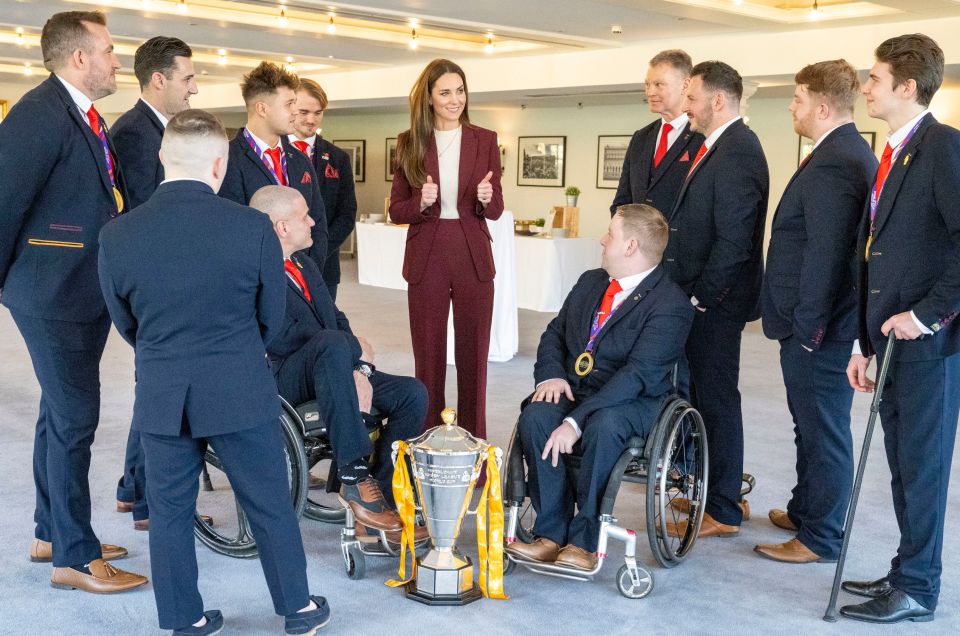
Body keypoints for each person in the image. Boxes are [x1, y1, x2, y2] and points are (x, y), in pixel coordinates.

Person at [97, 109, 330, 636]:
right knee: (269, 501)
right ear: (220, 163)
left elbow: (126, 322)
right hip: (237, 384)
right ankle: (298, 609)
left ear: (162, 157)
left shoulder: (118, 235)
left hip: (162, 389)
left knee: (170, 512)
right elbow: (271, 317)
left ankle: (185, 619)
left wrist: (165, 354)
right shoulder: (252, 227)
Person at [0, 10, 147, 593]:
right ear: (78, 57)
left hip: (80, 290)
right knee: (75, 418)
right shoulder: (36, 114)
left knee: (56, 415)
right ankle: (74, 557)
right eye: (110, 50)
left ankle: (49, 531)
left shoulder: (85, 116)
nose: (117, 61)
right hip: (50, 294)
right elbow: (5, 205)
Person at [840, 33, 960, 625]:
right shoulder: (891, 151)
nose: (865, 87)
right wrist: (864, 344)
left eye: (874, 78)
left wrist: (927, 315)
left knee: (923, 468)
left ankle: (918, 587)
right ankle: (905, 569)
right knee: (903, 466)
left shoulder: (945, 148)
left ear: (907, 88)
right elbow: (877, 254)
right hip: (887, 342)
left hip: (928, 346)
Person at [505, 204, 693, 570]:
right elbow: (555, 333)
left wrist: (574, 422)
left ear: (630, 246)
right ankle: (550, 532)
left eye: (611, 235)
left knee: (603, 426)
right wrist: (551, 376)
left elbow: (637, 375)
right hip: (577, 387)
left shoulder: (671, 304)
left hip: (636, 400)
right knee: (537, 417)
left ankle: (585, 540)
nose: (603, 241)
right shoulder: (591, 281)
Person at [754, 60, 877, 564]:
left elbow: (827, 254)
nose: (791, 106)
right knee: (809, 424)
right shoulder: (840, 152)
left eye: (798, 99)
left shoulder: (837, 160)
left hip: (819, 329)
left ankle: (821, 536)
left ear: (822, 107)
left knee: (823, 429)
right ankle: (806, 510)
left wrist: (810, 328)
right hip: (817, 324)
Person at [251, 185, 427, 537]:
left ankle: (381, 497)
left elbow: (336, 318)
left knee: (413, 393)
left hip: (332, 363)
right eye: (304, 216)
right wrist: (353, 349)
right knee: (332, 343)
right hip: (285, 376)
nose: (314, 221)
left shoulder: (305, 263)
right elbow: (289, 337)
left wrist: (359, 369)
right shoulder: (256, 272)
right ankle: (353, 474)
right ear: (282, 227)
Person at [661, 61, 769, 539]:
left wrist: (701, 299)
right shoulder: (717, 145)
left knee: (718, 400)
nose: (686, 106)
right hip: (701, 297)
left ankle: (723, 508)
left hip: (716, 304)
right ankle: (716, 492)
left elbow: (734, 241)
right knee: (704, 397)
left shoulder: (739, 150)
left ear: (718, 101)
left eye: (692, 98)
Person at [389, 58, 503, 438]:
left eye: (460, 90)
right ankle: (429, 443)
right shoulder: (409, 143)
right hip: (428, 254)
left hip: (473, 255)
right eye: (445, 92)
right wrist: (421, 202)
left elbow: (497, 208)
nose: (455, 99)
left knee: (474, 359)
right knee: (429, 359)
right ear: (429, 98)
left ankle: (474, 448)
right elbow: (395, 209)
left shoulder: (485, 139)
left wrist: (487, 198)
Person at [111, 35, 198, 531]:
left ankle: (130, 487)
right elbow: (149, 213)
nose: (194, 89)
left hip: (165, 279)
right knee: (159, 393)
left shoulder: (159, 130)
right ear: (159, 79)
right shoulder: (135, 134)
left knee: (153, 387)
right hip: (158, 283)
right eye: (187, 78)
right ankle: (146, 502)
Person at [220, 61, 328, 272]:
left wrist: (309, 273)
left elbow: (318, 222)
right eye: (288, 104)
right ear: (262, 108)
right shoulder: (227, 159)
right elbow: (231, 231)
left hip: (301, 279)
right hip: (255, 280)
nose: (295, 112)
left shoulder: (300, 159)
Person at [610, 49, 703, 216]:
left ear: (685, 85)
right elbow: (623, 201)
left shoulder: (703, 137)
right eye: (647, 84)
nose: (650, 92)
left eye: (659, 84)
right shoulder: (641, 137)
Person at [289, 78, 357, 301]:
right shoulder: (271, 153)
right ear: (290, 107)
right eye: (304, 112)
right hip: (279, 262)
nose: (311, 119)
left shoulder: (338, 158)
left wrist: (318, 250)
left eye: (318, 113)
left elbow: (346, 214)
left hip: (325, 266)